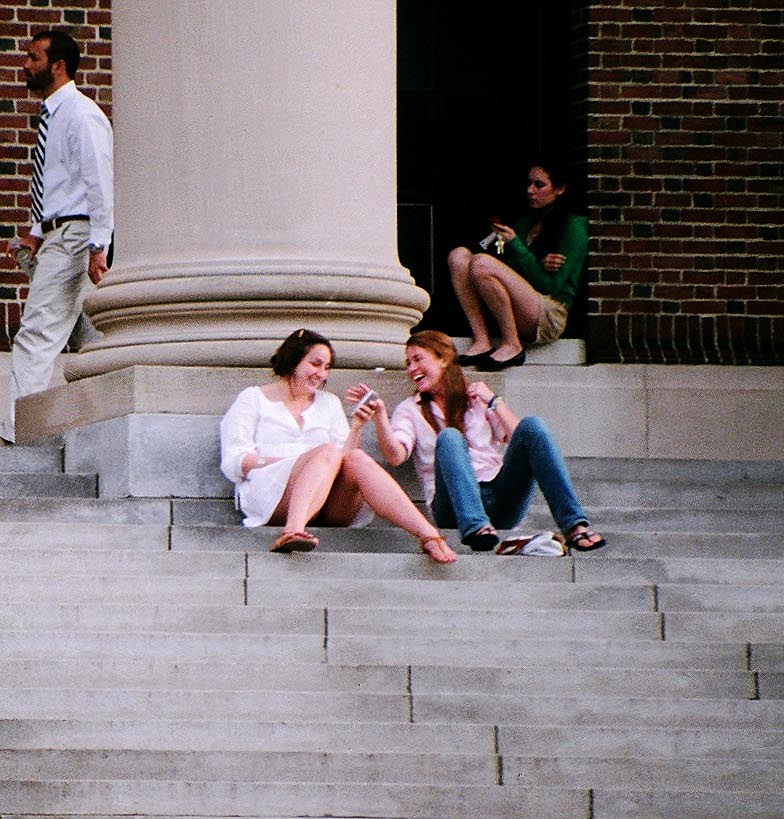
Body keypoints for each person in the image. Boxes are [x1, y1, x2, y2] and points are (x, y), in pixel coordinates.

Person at [347, 329, 605, 553]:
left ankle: (574, 525)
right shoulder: (410, 409)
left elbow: (523, 442)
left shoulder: (477, 399)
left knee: (533, 425)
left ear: (444, 359)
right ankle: (475, 526)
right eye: (408, 363)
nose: (411, 368)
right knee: (449, 437)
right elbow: (395, 456)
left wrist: (494, 401)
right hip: (451, 506)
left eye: (418, 359)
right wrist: (380, 415)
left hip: (500, 499)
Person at [219, 329, 457, 562]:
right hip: (271, 495)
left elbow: (344, 458)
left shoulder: (328, 403)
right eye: (315, 364)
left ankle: (429, 536)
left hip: (328, 500)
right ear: (293, 360)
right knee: (325, 452)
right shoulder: (253, 398)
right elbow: (233, 462)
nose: (321, 374)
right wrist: (296, 464)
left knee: (357, 459)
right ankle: (292, 530)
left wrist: (357, 426)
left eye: (326, 367)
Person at [0, 29, 114, 444]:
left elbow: (99, 183)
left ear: (58, 65)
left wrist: (98, 245)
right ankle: (94, 426)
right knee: (87, 338)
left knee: (37, 333)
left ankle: (18, 435)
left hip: (74, 238)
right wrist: (34, 234)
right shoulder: (54, 114)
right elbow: (56, 182)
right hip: (58, 235)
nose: (25, 65)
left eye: (32, 58)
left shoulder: (82, 115)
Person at [447, 161, 588, 370]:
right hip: (516, 306)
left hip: (548, 313)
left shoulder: (573, 228)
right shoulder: (524, 223)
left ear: (560, 189)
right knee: (458, 256)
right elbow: (508, 271)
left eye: (539, 185)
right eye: (529, 184)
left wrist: (517, 247)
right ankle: (482, 340)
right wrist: (535, 261)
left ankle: (512, 345)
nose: (530, 190)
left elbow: (551, 287)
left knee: (482, 263)